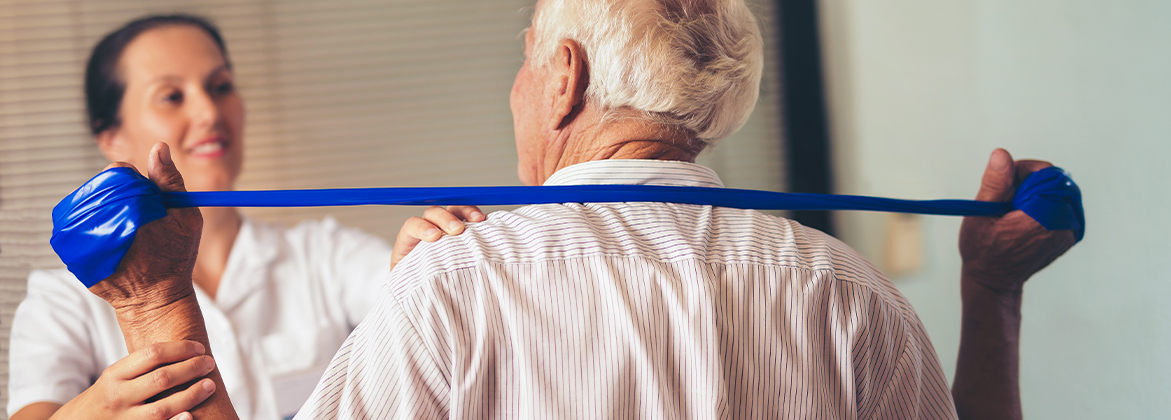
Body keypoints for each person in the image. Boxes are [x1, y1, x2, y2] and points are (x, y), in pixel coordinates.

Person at [62, 1, 1077, 419]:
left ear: (562, 77)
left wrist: (155, 305)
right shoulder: (851, 297)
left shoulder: (453, 291)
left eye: (521, 64)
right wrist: (989, 291)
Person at [6, 15, 482, 420]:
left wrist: (417, 274)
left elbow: (438, 322)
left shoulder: (325, 255)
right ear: (110, 138)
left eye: (220, 86)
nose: (210, 111)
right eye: (172, 96)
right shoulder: (62, 301)